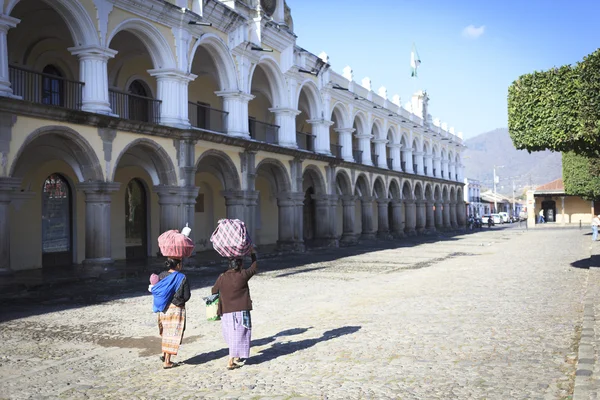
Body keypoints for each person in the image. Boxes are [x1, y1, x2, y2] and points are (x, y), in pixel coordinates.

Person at [211, 246, 258, 370]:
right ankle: (230, 361)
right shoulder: (243, 275)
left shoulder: (222, 277)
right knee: (240, 334)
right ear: (240, 265)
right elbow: (254, 268)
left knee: (231, 334)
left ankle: (237, 356)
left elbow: (213, 291)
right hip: (241, 311)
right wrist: (253, 254)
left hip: (226, 311)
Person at [152, 258, 191, 369]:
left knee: (165, 332)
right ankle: (167, 362)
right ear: (178, 265)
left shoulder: (161, 275)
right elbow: (186, 296)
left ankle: (164, 355)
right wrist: (179, 301)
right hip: (176, 309)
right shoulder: (182, 277)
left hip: (163, 308)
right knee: (172, 334)